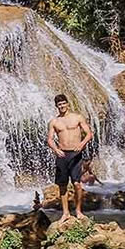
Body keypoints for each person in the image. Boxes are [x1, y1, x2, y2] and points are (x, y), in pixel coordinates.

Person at [47, 94, 94, 222]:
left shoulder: (77, 117)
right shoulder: (54, 122)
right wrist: (56, 150)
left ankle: (78, 211)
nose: (62, 106)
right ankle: (66, 213)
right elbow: (50, 139)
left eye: (63, 103)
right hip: (62, 154)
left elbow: (89, 134)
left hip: (75, 154)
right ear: (57, 106)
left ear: (68, 104)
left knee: (77, 184)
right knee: (62, 185)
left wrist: (82, 144)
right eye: (59, 105)